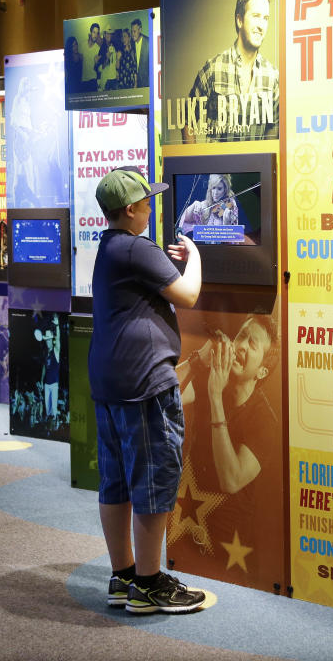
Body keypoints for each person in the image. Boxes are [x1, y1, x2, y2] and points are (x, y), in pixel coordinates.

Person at [88, 167, 205, 614]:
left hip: (111, 379)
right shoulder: (137, 248)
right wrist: (195, 255)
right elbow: (188, 295)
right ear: (132, 209)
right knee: (153, 480)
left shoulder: (110, 246)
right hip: (144, 383)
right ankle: (149, 584)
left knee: (116, 482)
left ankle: (124, 576)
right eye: (147, 201)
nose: (152, 207)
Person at [170, 313, 282, 585]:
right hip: (187, 524)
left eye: (252, 344)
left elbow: (231, 479)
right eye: (241, 336)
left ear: (262, 371)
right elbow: (159, 394)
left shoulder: (265, 421)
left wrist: (215, 397)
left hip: (230, 547)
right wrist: (198, 360)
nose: (240, 345)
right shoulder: (213, 377)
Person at [183, 0, 280, 143]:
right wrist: (195, 166)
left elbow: (273, 132)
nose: (261, 25)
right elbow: (187, 120)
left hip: (255, 167)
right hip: (217, 167)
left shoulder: (273, 77)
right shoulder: (213, 68)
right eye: (256, 16)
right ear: (240, 20)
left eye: (266, 18)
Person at [39, 316, 61, 428]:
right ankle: (48, 428)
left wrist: (57, 326)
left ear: (51, 340)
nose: (47, 342)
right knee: (47, 409)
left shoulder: (56, 351)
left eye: (49, 339)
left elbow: (58, 340)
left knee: (54, 410)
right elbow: (44, 367)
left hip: (54, 385)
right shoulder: (46, 354)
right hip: (46, 385)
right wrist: (42, 381)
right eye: (46, 340)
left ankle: (55, 427)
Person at [81, 22, 102, 92]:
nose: (95, 35)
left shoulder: (98, 49)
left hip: (93, 81)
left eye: (97, 33)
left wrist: (96, 63)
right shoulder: (82, 45)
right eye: (94, 32)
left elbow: (98, 69)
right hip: (83, 81)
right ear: (90, 32)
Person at [130, 18, 149, 89]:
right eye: (131, 31)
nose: (132, 34)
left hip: (148, 84)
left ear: (140, 30)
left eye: (134, 31)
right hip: (138, 84)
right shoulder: (132, 44)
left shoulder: (148, 42)